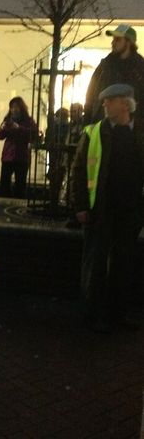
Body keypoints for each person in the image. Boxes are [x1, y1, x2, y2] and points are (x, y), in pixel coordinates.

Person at [71, 83, 143, 332]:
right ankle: (90, 315)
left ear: (125, 104)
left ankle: (117, 314)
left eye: (109, 101)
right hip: (99, 209)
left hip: (130, 212)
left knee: (123, 264)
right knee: (96, 263)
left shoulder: (139, 134)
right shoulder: (93, 133)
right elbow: (79, 171)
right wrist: (80, 206)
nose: (104, 104)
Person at [84, 24, 144, 124]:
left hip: (132, 128)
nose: (113, 43)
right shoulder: (105, 66)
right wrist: (88, 119)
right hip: (104, 124)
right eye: (113, 39)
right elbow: (91, 93)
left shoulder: (140, 68)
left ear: (128, 42)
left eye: (117, 39)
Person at [0, 97, 37, 198]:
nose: (14, 109)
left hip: (22, 157)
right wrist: (2, 129)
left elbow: (33, 135)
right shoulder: (7, 120)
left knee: (20, 184)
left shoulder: (28, 120)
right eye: (12, 107)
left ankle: (18, 205)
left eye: (16, 107)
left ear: (21, 108)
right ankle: (3, 205)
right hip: (7, 156)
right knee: (4, 183)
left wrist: (19, 128)